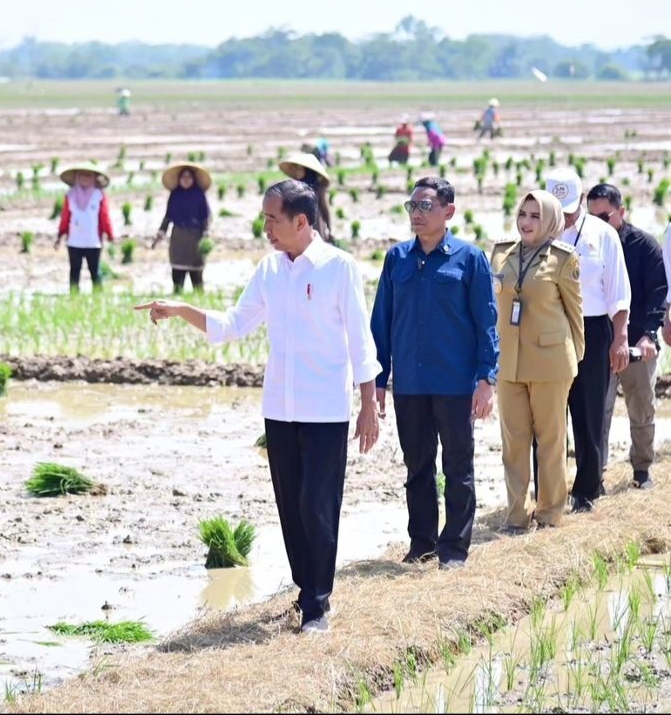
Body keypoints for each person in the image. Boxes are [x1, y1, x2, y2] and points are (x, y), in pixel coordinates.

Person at [135, 180, 381, 634]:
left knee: (317, 506)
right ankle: (305, 590)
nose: (265, 227)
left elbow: (360, 341)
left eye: (272, 219)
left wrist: (369, 404)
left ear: (301, 221)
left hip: (325, 410)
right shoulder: (270, 270)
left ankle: (318, 605)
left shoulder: (338, 267)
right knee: (290, 507)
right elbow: (232, 324)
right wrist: (180, 308)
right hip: (280, 409)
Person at [370, 178, 499, 569]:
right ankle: (421, 543)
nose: (417, 214)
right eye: (412, 206)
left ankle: (454, 549)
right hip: (409, 382)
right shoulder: (397, 259)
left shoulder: (469, 258)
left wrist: (486, 379)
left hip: (455, 383)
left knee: (458, 466)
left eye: (426, 206)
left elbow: (486, 323)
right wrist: (378, 379)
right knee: (417, 466)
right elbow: (382, 321)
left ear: (449, 211)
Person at [491, 192, 583, 531]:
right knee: (513, 442)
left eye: (535, 216)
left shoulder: (563, 259)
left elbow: (576, 315)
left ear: (550, 221)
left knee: (550, 440)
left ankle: (549, 514)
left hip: (550, 363)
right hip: (509, 362)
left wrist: (574, 360)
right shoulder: (501, 254)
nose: (526, 222)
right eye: (522, 214)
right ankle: (516, 516)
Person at [544, 169, 631, 512]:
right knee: (548, 414)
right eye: (556, 207)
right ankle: (549, 493)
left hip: (593, 331)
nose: (562, 215)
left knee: (589, 411)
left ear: (581, 200)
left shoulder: (603, 234)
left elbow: (618, 290)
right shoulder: (538, 233)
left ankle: (587, 491)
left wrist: (620, 336)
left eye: (567, 206)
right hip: (549, 330)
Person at [588, 184, 667, 490]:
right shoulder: (587, 245)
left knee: (641, 407)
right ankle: (595, 476)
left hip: (636, 344)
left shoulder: (644, 245)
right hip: (598, 346)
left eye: (604, 216)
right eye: (591, 217)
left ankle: (642, 470)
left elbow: (658, 294)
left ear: (621, 212)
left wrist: (648, 335)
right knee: (597, 412)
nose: (598, 224)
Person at [152, 163, 211, 293]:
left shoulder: (199, 195)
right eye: (183, 177)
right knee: (177, 274)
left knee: (197, 276)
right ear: (179, 179)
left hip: (196, 238)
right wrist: (160, 234)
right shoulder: (175, 195)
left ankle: (199, 302)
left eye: (188, 177)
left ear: (193, 179)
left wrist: (206, 235)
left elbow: (205, 216)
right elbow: (168, 216)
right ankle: (177, 297)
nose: (186, 179)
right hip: (178, 238)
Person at [56, 164, 114, 292]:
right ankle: (74, 296)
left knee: (95, 270)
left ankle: (99, 297)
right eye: (82, 174)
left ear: (94, 178)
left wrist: (109, 234)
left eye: (89, 175)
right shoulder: (70, 195)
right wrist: (60, 234)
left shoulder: (98, 195)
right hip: (74, 241)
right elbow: (65, 217)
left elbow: (104, 216)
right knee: (74, 270)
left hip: (93, 241)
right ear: (77, 177)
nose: (85, 178)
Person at [279, 152, 334, 242]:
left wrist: (330, 228)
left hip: (315, 224)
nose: (296, 171)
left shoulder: (318, 188)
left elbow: (324, 208)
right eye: (295, 168)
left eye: (299, 168)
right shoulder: (294, 188)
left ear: (307, 169)